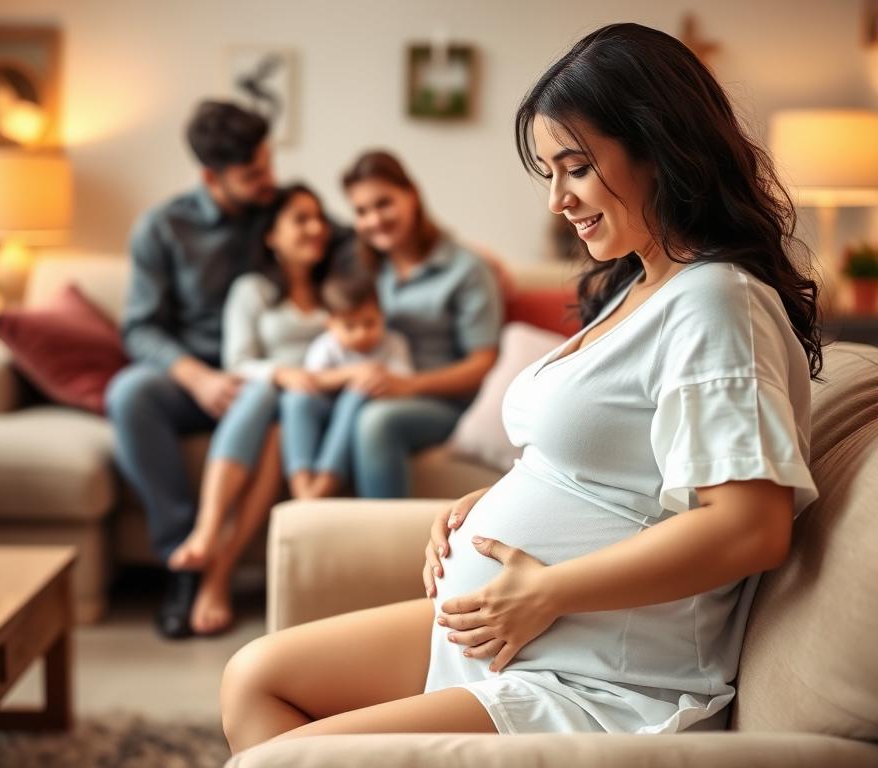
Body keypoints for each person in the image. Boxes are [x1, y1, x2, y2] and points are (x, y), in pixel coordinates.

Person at [218, 22, 822, 753]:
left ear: (658, 149)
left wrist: (550, 590)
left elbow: (749, 527)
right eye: (549, 174)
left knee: (289, 750)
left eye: (576, 167)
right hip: (521, 631)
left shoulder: (717, 301)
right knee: (255, 677)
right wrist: (491, 503)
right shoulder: (640, 287)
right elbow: (613, 459)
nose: (557, 201)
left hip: (595, 675)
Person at [106, 101, 350, 639]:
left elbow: (357, 236)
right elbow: (140, 328)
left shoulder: (276, 209)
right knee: (129, 394)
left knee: (264, 396)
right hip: (192, 378)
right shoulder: (164, 228)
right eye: (253, 174)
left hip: (262, 381)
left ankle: (210, 558)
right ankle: (183, 563)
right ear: (210, 177)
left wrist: (456, 252)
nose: (269, 180)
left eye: (268, 163)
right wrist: (198, 377)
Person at [332, 150, 504, 498]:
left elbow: (483, 362)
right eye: (361, 211)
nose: (374, 220)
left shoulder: (466, 268)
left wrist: (406, 386)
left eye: (384, 203)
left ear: (411, 195)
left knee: (376, 421)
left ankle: (380, 548)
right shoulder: (361, 267)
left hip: (444, 402)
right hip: (368, 390)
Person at [281, 273, 414, 499]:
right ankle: (302, 486)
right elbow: (312, 379)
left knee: (356, 393)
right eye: (350, 326)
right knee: (295, 400)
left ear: (382, 316)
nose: (362, 333)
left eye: (370, 323)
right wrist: (353, 374)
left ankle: (323, 484)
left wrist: (369, 383)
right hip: (326, 409)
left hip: (360, 411)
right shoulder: (326, 345)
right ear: (330, 324)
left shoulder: (394, 343)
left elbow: (402, 383)